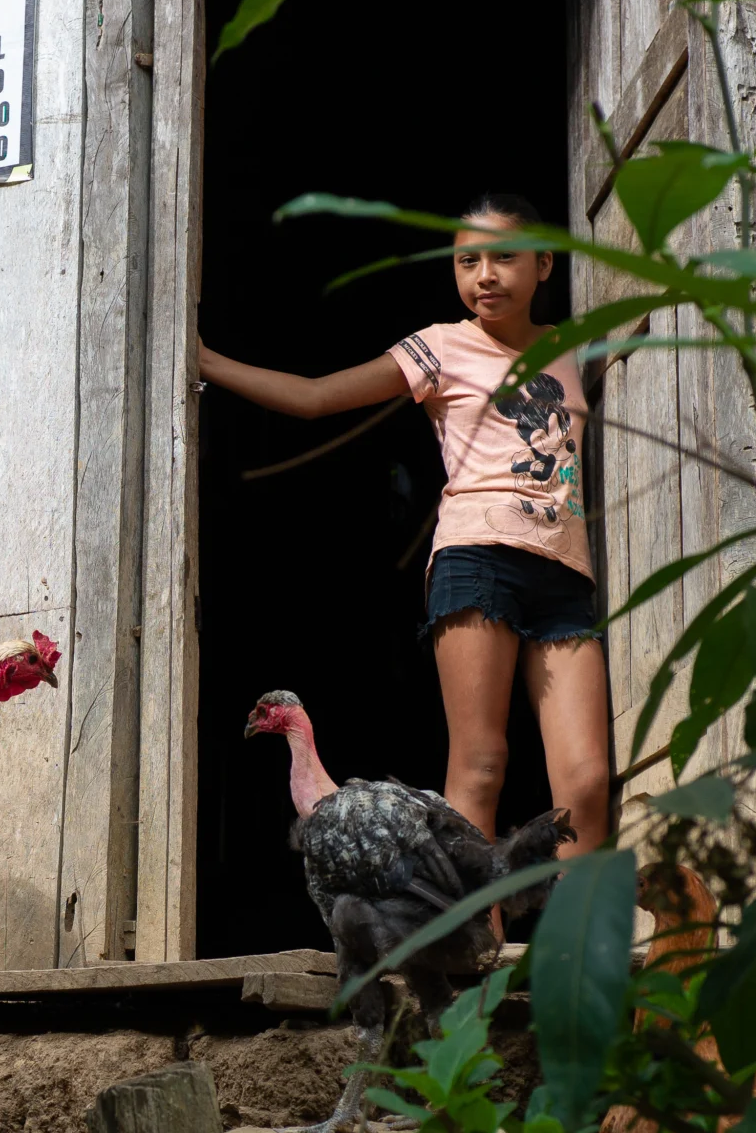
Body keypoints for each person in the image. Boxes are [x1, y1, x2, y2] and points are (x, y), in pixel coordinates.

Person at [200, 193, 610, 858]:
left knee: (587, 782)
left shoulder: (575, 347)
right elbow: (315, 397)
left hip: (564, 576)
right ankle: (471, 926)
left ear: (544, 264)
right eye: (467, 261)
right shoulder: (440, 347)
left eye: (504, 258)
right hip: (477, 562)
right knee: (481, 767)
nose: (484, 275)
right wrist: (205, 361)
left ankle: (583, 925)